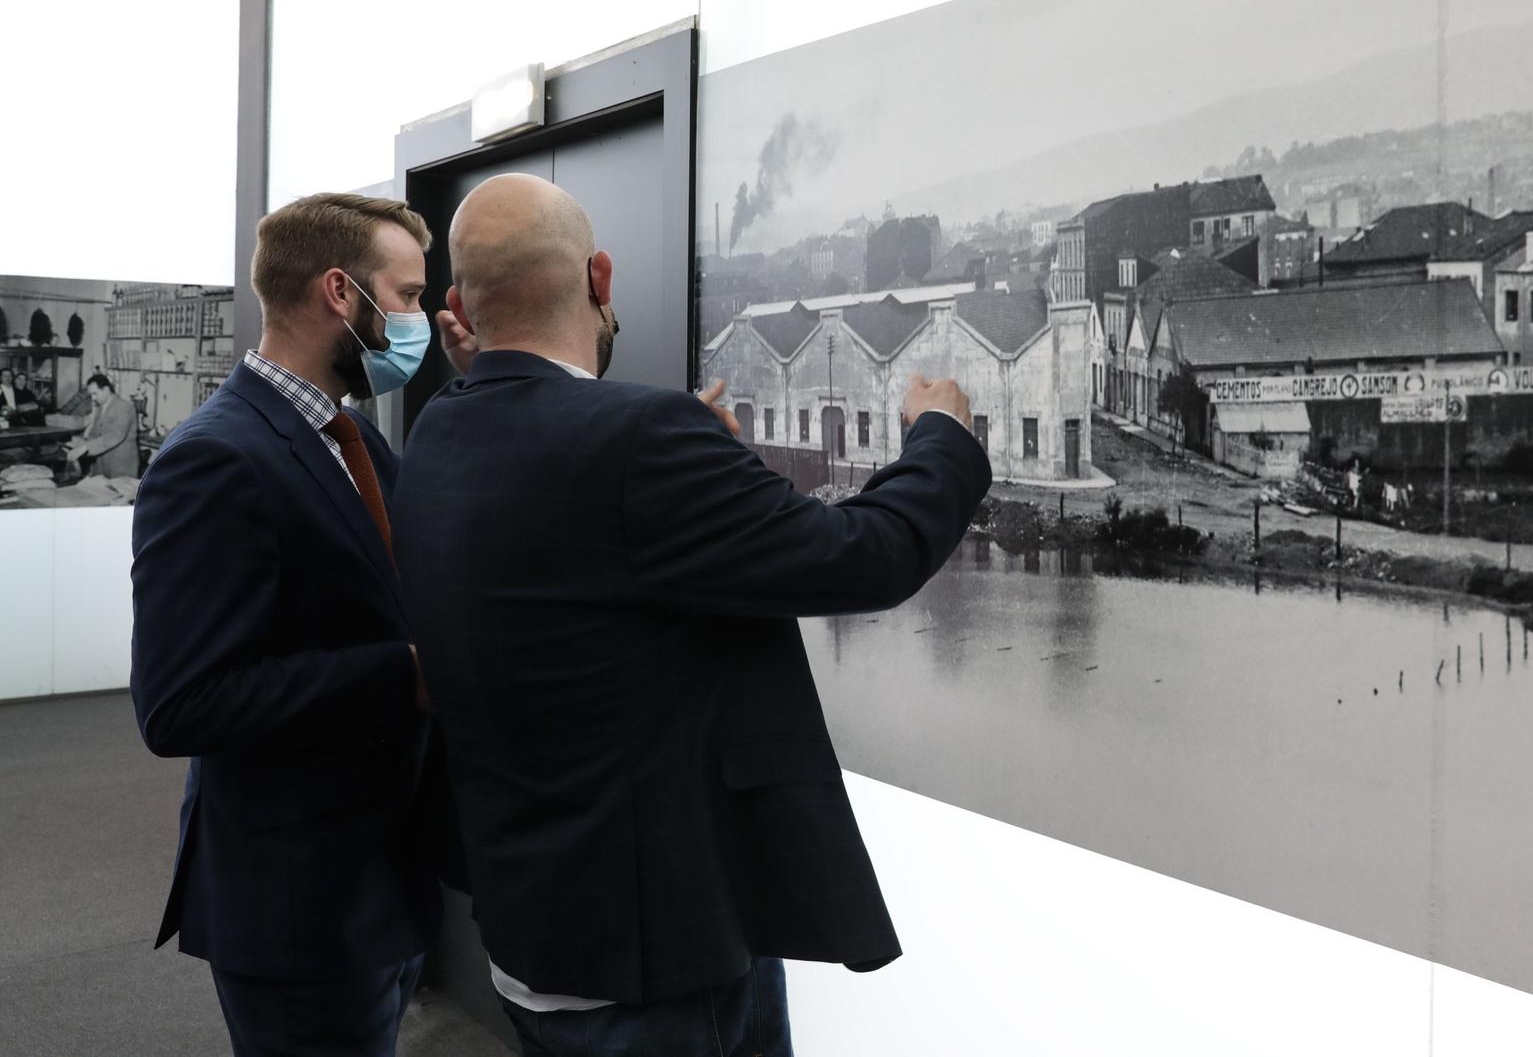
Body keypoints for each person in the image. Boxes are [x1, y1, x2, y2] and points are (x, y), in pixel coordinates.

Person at [394, 173, 991, 1057]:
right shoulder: (639, 440)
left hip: (533, 934)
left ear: (457, 305)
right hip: (657, 970)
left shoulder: (443, 427)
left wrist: (690, 462)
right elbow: (866, 553)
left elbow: (575, 516)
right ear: (600, 276)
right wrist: (941, 434)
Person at [129, 192, 479, 1057]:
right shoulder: (215, 457)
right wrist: (404, 674)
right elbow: (180, 703)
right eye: (403, 297)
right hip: (296, 907)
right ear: (338, 293)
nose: (419, 320)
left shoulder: (353, 435)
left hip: (381, 885)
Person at [66, 373, 139, 478]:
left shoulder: (124, 407)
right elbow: (96, 433)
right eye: (91, 394)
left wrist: (85, 447)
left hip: (121, 466)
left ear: (106, 389)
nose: (93, 398)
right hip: (101, 465)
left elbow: (116, 435)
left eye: (95, 393)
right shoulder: (100, 407)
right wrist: (78, 443)